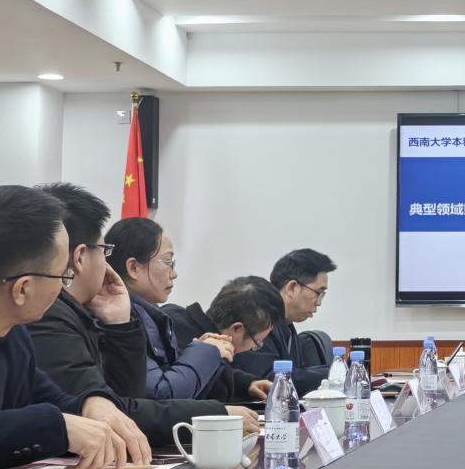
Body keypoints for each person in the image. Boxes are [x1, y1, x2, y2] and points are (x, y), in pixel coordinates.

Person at [0, 185, 151, 469]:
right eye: (63, 275)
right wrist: (56, 428)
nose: (64, 286)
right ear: (22, 289)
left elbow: (44, 396)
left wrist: (91, 404)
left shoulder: (13, 330)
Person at [26, 184, 258, 444]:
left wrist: (120, 324)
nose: (174, 274)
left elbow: (125, 402)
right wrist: (215, 414)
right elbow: (119, 413)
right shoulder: (49, 317)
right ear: (80, 256)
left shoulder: (90, 312)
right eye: (103, 250)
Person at [104, 217, 229, 401]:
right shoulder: (122, 319)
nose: (174, 273)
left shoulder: (149, 313)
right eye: (168, 261)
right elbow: (160, 395)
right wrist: (204, 352)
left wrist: (199, 351)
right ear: (133, 267)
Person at [165, 277, 286, 404]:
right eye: (257, 343)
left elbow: (220, 374)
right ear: (237, 329)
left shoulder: (189, 324)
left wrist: (248, 384)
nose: (253, 348)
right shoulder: (174, 334)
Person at [232, 248, 336, 394]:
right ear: (292, 288)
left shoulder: (287, 325)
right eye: (318, 293)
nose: (319, 303)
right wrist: (335, 374)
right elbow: (269, 381)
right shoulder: (259, 320)